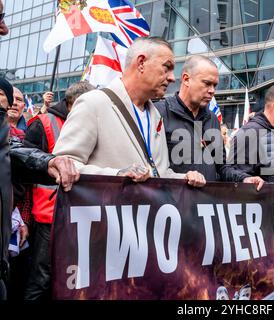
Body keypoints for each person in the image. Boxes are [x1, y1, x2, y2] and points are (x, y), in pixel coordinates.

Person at [53, 37, 205, 186]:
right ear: (141, 63)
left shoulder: (155, 115)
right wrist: (117, 175)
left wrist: (184, 178)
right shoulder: (93, 103)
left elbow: (159, 173)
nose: (172, 78)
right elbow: (64, 165)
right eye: (167, 67)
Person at [22, 82, 95, 300]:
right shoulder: (43, 123)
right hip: (48, 215)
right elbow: (25, 166)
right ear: (75, 104)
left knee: (73, 274)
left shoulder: (89, 123)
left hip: (80, 213)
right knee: (41, 276)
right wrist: (24, 217)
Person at [154, 56, 240, 182]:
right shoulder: (158, 113)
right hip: (171, 200)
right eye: (207, 83)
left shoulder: (213, 119)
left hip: (207, 200)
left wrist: (244, 179)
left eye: (215, 85)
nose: (212, 91)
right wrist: (184, 178)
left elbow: (221, 167)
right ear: (186, 79)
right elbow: (154, 168)